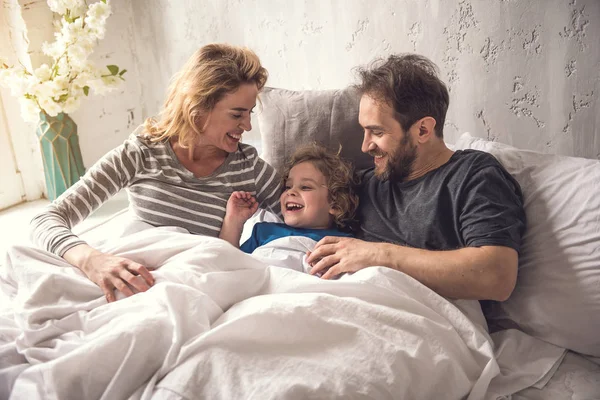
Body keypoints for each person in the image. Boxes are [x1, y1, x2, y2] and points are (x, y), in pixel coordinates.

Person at [30, 44, 282, 302]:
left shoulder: (248, 168)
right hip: (132, 280)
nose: (248, 126)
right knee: (18, 257)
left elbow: (308, 212)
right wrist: (92, 260)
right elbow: (47, 218)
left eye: (250, 113)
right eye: (237, 114)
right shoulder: (142, 153)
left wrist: (327, 240)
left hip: (186, 289)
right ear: (198, 108)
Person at [306, 54, 526, 302]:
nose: (365, 146)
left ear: (423, 130)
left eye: (377, 132)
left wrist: (378, 255)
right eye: (364, 131)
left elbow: (497, 277)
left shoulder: (473, 175)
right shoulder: (365, 184)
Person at [219, 144, 358, 273]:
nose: (291, 192)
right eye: (288, 186)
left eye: (305, 187)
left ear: (335, 204)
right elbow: (228, 263)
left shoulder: (343, 242)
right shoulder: (263, 231)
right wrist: (233, 221)